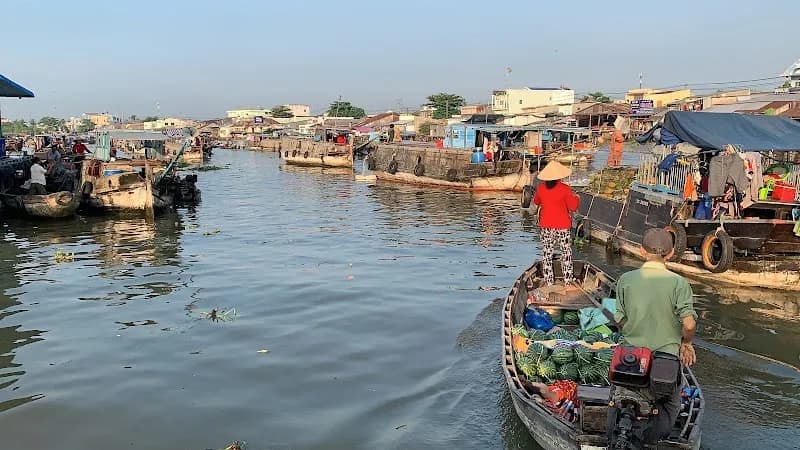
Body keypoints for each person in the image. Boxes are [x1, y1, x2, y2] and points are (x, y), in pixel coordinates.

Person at [612, 228, 697, 443]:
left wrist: (633, 328)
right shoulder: (679, 283)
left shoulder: (626, 279)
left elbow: (618, 320)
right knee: (670, 405)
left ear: (642, 251)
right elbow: (689, 323)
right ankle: (657, 440)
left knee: (618, 397)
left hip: (630, 359)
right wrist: (686, 342)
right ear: (670, 254)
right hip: (665, 362)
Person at [533, 161, 580, 285]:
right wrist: (576, 198)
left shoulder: (541, 188)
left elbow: (536, 201)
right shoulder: (565, 189)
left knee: (547, 253)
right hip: (563, 226)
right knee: (566, 253)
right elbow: (573, 207)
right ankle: (568, 280)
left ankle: (549, 281)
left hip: (546, 226)